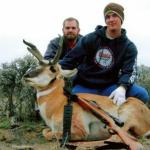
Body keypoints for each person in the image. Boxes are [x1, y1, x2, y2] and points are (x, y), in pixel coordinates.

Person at [59, 2, 149, 106]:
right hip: (85, 86)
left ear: (121, 19)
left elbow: (129, 72)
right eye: (107, 17)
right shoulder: (90, 39)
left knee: (142, 94)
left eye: (114, 15)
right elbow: (69, 60)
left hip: (110, 87)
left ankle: (125, 120)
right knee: (70, 103)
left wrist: (122, 88)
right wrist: (51, 68)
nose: (111, 19)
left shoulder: (129, 47)